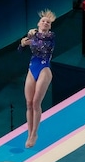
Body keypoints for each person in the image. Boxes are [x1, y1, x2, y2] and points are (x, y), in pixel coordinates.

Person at [18, 9, 56, 148]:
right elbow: (19, 50)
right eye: (43, 21)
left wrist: (33, 37)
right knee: (28, 103)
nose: (45, 23)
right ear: (38, 23)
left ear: (50, 26)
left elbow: (43, 43)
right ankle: (29, 133)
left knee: (36, 102)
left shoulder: (50, 36)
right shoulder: (32, 36)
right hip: (32, 68)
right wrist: (22, 43)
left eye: (48, 22)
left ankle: (34, 133)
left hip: (44, 69)